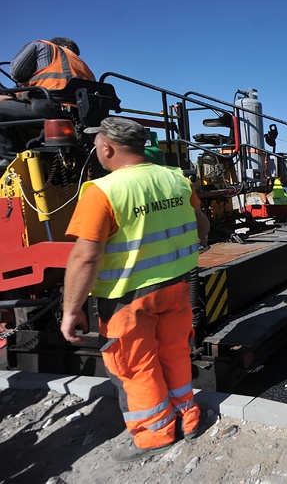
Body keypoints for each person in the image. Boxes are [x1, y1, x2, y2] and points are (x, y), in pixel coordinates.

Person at [59, 117, 211, 462]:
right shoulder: (177, 179)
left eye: (96, 144)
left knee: (136, 367)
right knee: (174, 354)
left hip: (127, 299)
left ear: (107, 147)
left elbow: (85, 259)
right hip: (177, 287)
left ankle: (155, 435)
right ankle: (188, 419)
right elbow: (202, 227)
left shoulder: (102, 191)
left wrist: (71, 310)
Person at [0, 38, 96, 167]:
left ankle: (11, 158)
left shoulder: (41, 46)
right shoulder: (83, 66)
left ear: (57, 44)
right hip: (79, 114)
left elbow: (17, 73)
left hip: (49, 106)